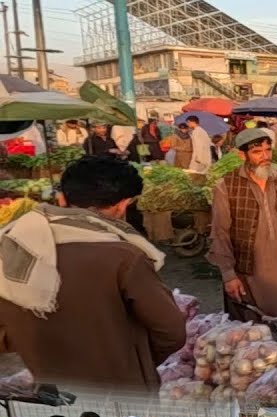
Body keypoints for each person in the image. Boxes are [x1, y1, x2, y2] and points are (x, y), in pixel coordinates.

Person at [0, 156, 185, 391]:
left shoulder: (11, 248)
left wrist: (40, 347)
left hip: (51, 389)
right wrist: (137, 362)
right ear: (122, 205)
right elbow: (171, 331)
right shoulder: (124, 256)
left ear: (62, 198)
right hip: (123, 389)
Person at [208, 129, 277, 319]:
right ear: (242, 155)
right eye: (257, 152)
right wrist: (229, 275)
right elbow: (220, 233)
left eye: (268, 150)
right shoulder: (226, 185)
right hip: (248, 269)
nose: (265, 157)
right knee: (253, 329)